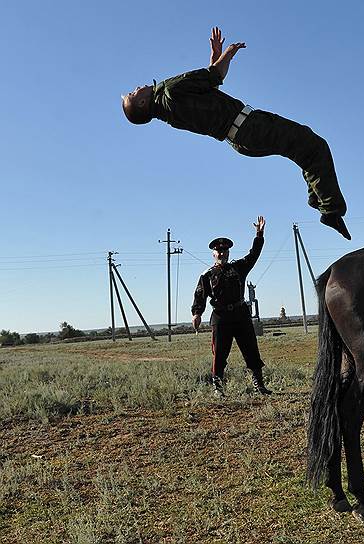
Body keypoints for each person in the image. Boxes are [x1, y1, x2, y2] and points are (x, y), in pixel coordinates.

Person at [122, 27, 350, 239]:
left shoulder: (167, 110)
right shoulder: (169, 91)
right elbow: (215, 75)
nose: (136, 88)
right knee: (314, 146)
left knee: (305, 150)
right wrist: (229, 53)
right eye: (133, 93)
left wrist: (216, 57)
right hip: (250, 126)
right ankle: (329, 209)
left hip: (240, 139)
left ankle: (320, 201)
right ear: (142, 102)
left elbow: (208, 88)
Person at [192, 216, 272, 397]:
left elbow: (254, 254)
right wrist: (197, 313)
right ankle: (218, 389)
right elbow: (200, 295)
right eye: (218, 251)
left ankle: (259, 385)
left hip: (241, 315)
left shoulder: (239, 267)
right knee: (219, 354)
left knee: (251, 350)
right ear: (213, 253)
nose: (222, 253)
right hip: (220, 318)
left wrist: (259, 234)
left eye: (225, 251)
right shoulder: (207, 275)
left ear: (228, 253)